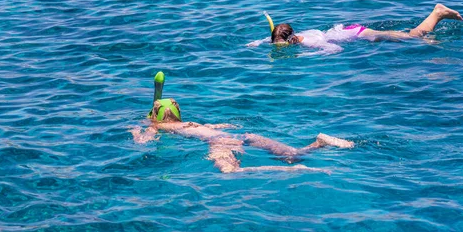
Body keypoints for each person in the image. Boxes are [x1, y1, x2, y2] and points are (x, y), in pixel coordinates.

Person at [131, 97, 354, 174]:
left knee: (230, 172)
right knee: (294, 153)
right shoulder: (193, 123)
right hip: (243, 135)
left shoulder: (160, 127)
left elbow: (143, 143)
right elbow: (221, 124)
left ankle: (289, 171)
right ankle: (319, 143)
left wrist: (135, 131)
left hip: (218, 141)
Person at [248, 4, 463, 53]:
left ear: (290, 39)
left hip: (358, 33)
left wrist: (320, 54)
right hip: (346, 31)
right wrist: (257, 42)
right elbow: (272, 40)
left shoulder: (311, 42)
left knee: (412, 37)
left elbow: (336, 50)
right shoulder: (290, 37)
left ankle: (437, 13)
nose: (279, 47)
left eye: (280, 45)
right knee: (406, 38)